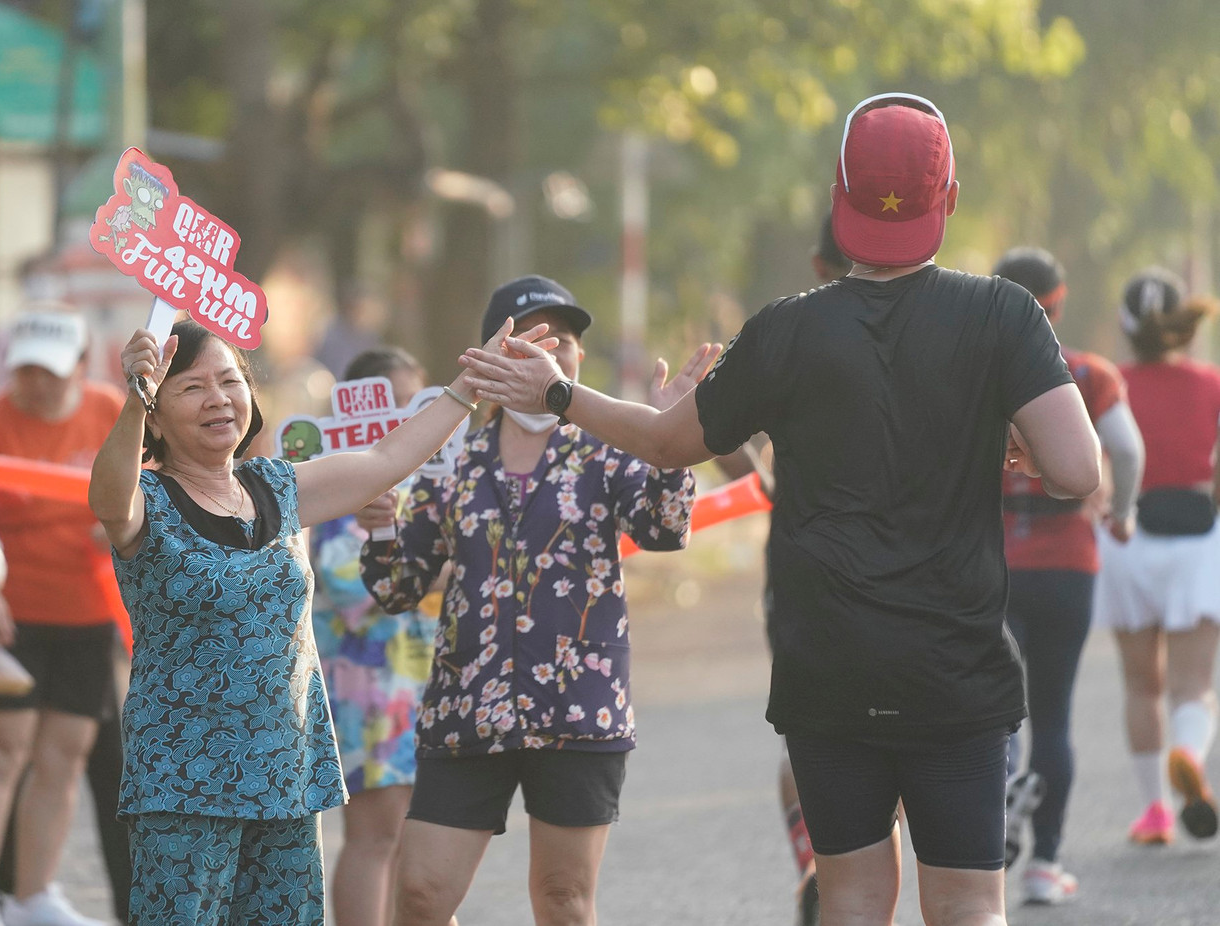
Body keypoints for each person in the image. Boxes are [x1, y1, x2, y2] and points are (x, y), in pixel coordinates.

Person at [460, 95, 1101, 926]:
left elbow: (663, 442)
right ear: (948, 196)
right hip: (956, 667)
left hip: (828, 666)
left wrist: (555, 391)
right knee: (972, 903)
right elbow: (1078, 470)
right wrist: (1011, 431)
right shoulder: (1002, 314)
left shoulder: (783, 330)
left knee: (853, 900)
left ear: (839, 194)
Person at [89, 316, 553, 925]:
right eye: (191, 387)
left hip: (285, 775)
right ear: (157, 414)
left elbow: (389, 458)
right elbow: (107, 499)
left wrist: (469, 386)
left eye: (230, 380)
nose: (218, 398)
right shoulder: (145, 502)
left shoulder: (279, 489)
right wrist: (135, 398)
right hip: (184, 785)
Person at [359, 275, 706, 926]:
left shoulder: (610, 445)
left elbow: (663, 530)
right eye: (530, 340)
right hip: (466, 712)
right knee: (420, 896)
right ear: (490, 360)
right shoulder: (450, 457)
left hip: (578, 710)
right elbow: (397, 586)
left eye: (566, 342)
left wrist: (672, 444)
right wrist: (380, 525)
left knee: (564, 902)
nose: (553, 354)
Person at [0, 309, 125, 926]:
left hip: (86, 610)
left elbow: (144, 488)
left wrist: (122, 529)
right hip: (9, 611)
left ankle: (33, 894)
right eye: (25, 370)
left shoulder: (108, 411)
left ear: (80, 367)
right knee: (0, 753)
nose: (37, 385)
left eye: (50, 372)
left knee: (66, 754)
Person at [993, 247, 1145, 903]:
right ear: (1057, 303)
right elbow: (1129, 449)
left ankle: (997, 806)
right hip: (1067, 568)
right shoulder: (1088, 373)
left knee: (995, 713)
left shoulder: (974, 371)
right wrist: (1123, 512)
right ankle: (1045, 867)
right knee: (1054, 714)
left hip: (989, 566)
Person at [714, 211, 851, 926]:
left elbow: (745, 465)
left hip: (799, 580)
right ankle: (856, 869)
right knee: (894, 738)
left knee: (810, 734)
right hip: (914, 582)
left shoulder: (785, 336)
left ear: (819, 263)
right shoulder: (943, 329)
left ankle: (817, 862)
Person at [310, 346, 453, 926]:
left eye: (417, 404)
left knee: (420, 838)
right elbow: (346, 580)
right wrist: (449, 568)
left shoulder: (427, 482)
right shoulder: (338, 482)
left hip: (427, 681)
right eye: (392, 402)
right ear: (353, 406)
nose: (405, 419)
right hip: (367, 687)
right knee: (375, 835)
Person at [1094, 267, 1220, 847]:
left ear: (1125, 328)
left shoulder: (1108, 384)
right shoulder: (1213, 384)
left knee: (1142, 685)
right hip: (1197, 540)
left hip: (1128, 536)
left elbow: (1094, 465)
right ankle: (1188, 754)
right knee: (1192, 685)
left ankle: (1155, 813)